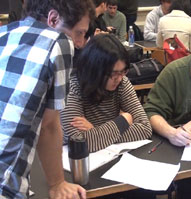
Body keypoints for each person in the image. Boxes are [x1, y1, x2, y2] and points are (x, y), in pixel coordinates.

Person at [0, 0, 95, 198]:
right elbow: (49, 125)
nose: (80, 43)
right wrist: (57, 183)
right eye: (79, 32)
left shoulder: (4, 34)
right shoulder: (59, 42)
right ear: (53, 19)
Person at [60, 34, 152, 153]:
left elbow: (145, 129)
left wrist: (95, 131)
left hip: (109, 156)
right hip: (76, 162)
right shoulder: (71, 87)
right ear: (95, 70)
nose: (119, 78)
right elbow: (78, 143)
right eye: (114, 73)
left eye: (123, 71)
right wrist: (123, 121)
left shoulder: (122, 83)